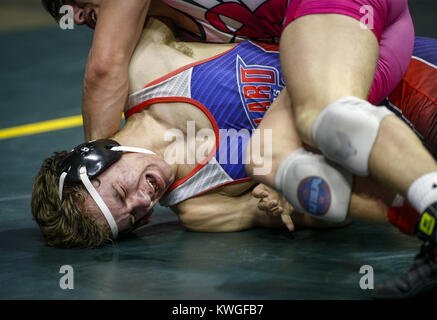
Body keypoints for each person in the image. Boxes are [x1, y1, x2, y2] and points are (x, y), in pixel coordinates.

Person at [32, 18, 437, 298]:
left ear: (97, 154)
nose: (143, 204)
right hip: (393, 157)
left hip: (399, 77)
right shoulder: (199, 207)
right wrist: (289, 204)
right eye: (134, 219)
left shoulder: (148, 67)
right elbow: (327, 210)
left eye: (122, 194)